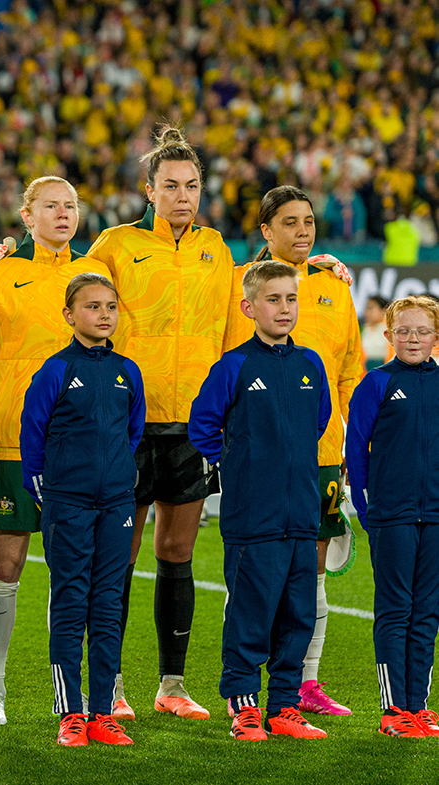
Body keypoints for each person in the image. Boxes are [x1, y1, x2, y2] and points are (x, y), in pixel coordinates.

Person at [86, 127, 234, 720]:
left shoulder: (216, 248)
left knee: (177, 551)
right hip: (129, 422)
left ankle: (172, 686)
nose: (182, 196)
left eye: (192, 186)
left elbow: (232, 329)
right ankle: (112, 682)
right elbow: (75, 304)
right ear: (149, 190)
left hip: (192, 426)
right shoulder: (115, 246)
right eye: (170, 185)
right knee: (118, 553)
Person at [0, 176, 113, 724]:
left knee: (75, 571)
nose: (63, 214)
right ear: (26, 215)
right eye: (50, 205)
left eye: (71, 205)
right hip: (10, 439)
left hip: (81, 449)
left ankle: (78, 697)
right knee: (6, 564)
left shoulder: (93, 274)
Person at [223, 186, 363, 717]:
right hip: (260, 458)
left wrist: (353, 440)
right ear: (266, 230)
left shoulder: (333, 285)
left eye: (308, 220)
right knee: (253, 571)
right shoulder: (243, 286)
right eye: (289, 222)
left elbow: (349, 368)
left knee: (314, 569)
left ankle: (305, 685)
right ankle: (243, 691)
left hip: (321, 453)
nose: (302, 231)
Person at [188, 260, 330, 742]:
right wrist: (241, 465)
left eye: (291, 299)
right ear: (250, 307)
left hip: (302, 514)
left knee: (297, 616)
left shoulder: (312, 364)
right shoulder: (234, 365)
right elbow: (203, 426)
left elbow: (318, 424)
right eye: (273, 299)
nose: (284, 308)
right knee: (251, 614)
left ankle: (285, 708)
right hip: (253, 515)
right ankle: (244, 707)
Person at [20, 273, 144, 747]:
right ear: (70, 315)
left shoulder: (127, 370)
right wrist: (49, 490)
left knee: (108, 604)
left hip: (116, 503)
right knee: (71, 603)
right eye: (93, 307)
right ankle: (70, 713)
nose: (104, 314)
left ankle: (103, 711)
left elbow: (131, 433)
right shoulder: (54, 370)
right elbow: (34, 434)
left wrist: (116, 477)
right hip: (66, 503)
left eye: (111, 306)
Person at [345, 296, 439, 737]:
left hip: (436, 515)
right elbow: (356, 452)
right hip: (391, 515)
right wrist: (367, 509)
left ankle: (419, 705)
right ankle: (393, 710)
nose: (413, 338)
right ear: (388, 336)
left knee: (427, 613)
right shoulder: (375, 384)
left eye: (422, 331)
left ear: (436, 337)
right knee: (396, 610)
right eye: (404, 331)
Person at [361, 296, 390, 370]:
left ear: (383, 310)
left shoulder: (390, 330)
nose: (367, 312)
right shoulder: (366, 330)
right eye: (366, 308)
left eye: (370, 308)